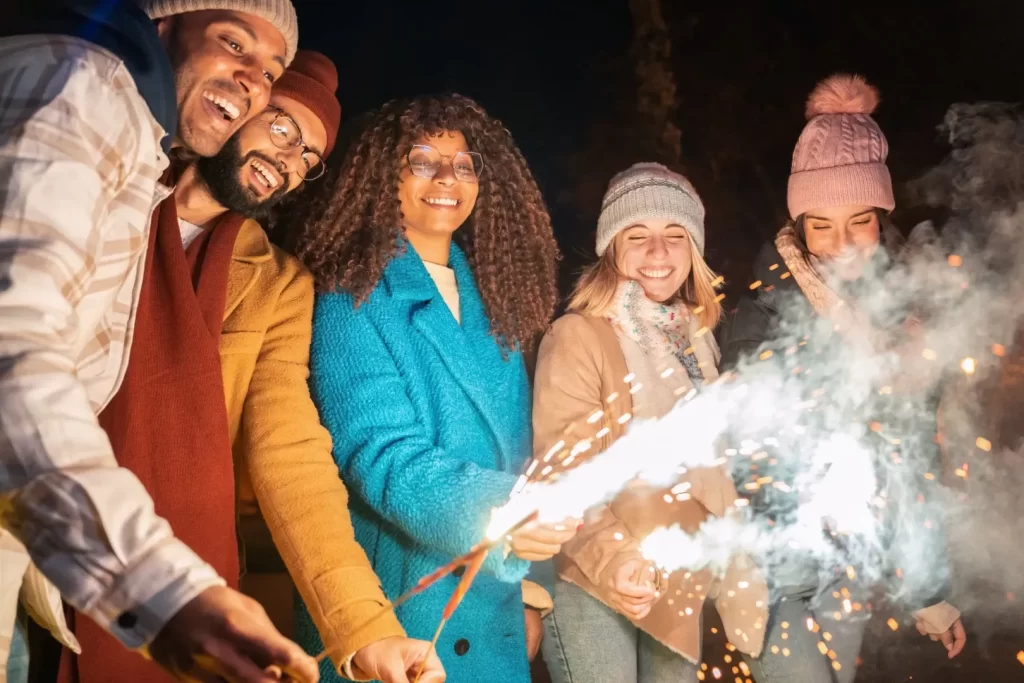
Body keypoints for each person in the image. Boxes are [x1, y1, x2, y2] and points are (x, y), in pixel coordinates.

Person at [0, 1, 318, 681]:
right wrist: (163, 591)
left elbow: (289, 449)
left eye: (270, 70)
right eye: (234, 43)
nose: (253, 79)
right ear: (165, 24)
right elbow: (13, 350)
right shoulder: (87, 87)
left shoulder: (140, 145)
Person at [170, 49, 444, 683]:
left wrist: (366, 629)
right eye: (283, 127)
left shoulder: (278, 286)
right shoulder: (107, 209)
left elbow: (290, 454)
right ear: (239, 103)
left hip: (185, 583)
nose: (290, 159)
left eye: (309, 157)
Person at [290, 93, 577, 683]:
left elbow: (523, 455)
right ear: (383, 177)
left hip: (493, 599)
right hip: (400, 612)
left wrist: (530, 592)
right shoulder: (350, 295)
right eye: (422, 160)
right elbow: (379, 455)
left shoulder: (497, 300)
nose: (447, 178)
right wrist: (506, 513)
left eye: (464, 165)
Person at [719, 74, 966, 683]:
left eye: (859, 221)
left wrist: (928, 591)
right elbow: (745, 455)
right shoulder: (763, 312)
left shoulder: (906, 319)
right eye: (821, 225)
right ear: (799, 225)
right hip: (777, 572)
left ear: (882, 217)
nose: (841, 244)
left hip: (850, 570)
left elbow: (913, 458)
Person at [531, 163, 768, 683]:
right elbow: (563, 474)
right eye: (637, 236)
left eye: (674, 236)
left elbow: (712, 472)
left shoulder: (696, 341)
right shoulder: (578, 336)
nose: (658, 252)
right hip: (593, 578)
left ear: (694, 250)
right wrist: (617, 561)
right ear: (612, 248)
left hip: (676, 578)